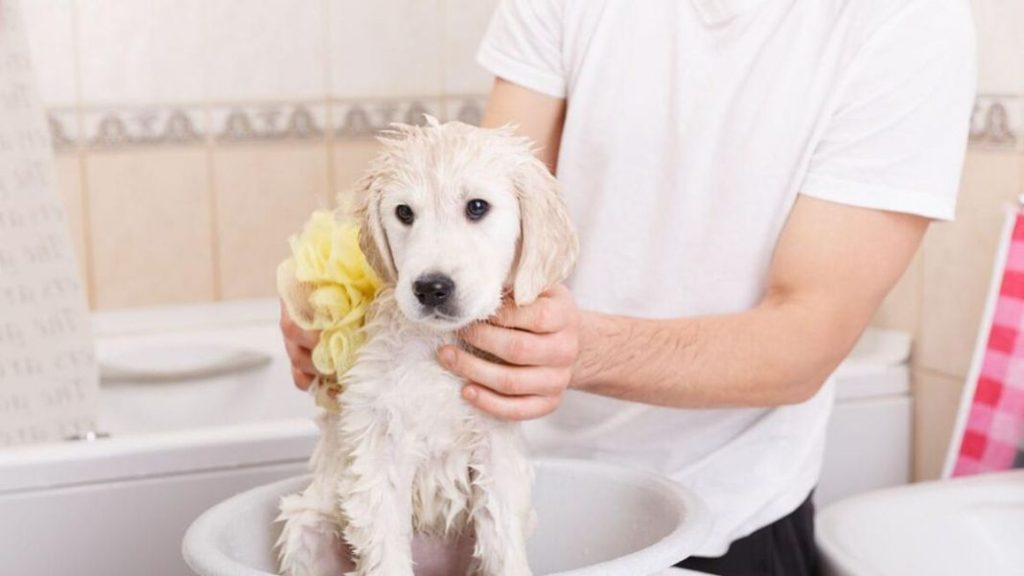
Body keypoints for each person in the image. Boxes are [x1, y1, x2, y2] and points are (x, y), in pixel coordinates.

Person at [281, 1, 976, 573]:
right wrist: (346, 305)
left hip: (721, 510)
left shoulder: (906, 23)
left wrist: (585, 352)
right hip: (504, 478)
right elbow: (485, 204)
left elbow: (808, 336)